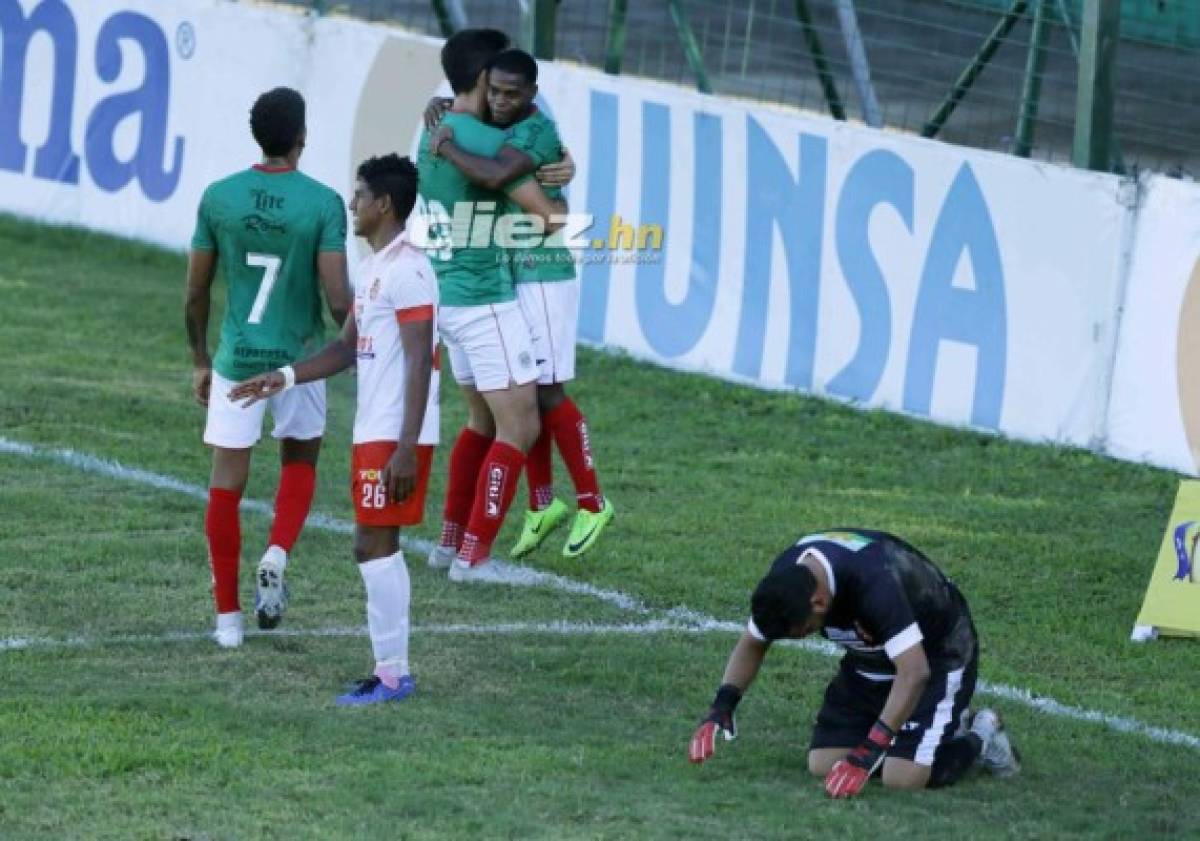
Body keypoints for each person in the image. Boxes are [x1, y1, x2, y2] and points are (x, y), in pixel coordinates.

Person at [230, 154, 436, 705]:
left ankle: (393, 674)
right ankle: (389, 670)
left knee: (373, 543)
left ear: (384, 204)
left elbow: (421, 363)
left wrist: (407, 448)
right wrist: (286, 376)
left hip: (396, 433)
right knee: (374, 543)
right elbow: (347, 347)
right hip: (376, 428)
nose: (352, 205)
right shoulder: (372, 269)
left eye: (361, 195)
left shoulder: (410, 271)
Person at [428, 49, 614, 560]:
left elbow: (496, 178)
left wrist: (446, 145)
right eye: (495, 91)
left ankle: (592, 501)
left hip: (544, 272)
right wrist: (442, 103)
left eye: (513, 93)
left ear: (534, 93)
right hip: (511, 271)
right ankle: (539, 503)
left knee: (549, 392)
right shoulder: (488, 115)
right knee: (525, 394)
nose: (501, 101)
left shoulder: (535, 132)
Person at [184, 87, 351, 648]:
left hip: (236, 358)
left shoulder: (219, 197)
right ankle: (276, 554)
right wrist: (358, 336)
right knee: (300, 460)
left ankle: (228, 623)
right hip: (299, 361)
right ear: (302, 136)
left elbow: (196, 292)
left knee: (226, 484)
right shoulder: (324, 204)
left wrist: (201, 360)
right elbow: (337, 300)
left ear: (256, 135)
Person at [688, 528, 1020, 796]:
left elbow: (915, 671)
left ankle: (980, 732)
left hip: (936, 654)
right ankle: (917, 731)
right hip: (873, 657)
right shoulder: (789, 581)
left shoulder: (875, 581)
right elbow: (753, 641)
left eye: (804, 631)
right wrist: (722, 705)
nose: (803, 636)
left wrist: (872, 747)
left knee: (902, 779)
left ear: (819, 601)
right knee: (824, 763)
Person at [416, 29, 569, 582]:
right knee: (520, 428)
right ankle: (474, 555)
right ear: (486, 81)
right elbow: (549, 218)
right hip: (485, 302)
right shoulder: (480, 141)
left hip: (447, 298)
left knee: (480, 421)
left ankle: (449, 542)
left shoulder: (434, 126)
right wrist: (555, 176)